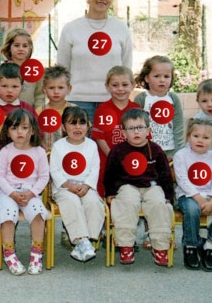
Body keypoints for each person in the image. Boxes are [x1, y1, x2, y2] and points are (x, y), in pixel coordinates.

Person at [56, 0, 133, 121]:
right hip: (78, 102)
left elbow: (126, 69)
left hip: (113, 101)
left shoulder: (121, 28)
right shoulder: (71, 29)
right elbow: (62, 70)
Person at [104, 109, 174, 266]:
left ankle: (160, 247)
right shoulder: (118, 151)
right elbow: (109, 173)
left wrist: (169, 196)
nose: (136, 132)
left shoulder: (156, 150)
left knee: (158, 204)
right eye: (131, 128)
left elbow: (165, 175)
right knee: (126, 204)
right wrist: (109, 193)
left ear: (148, 130)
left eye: (140, 127)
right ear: (123, 132)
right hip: (127, 185)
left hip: (152, 186)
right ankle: (126, 245)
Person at [0, 109, 50, 275]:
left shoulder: (39, 152)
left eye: (24, 127)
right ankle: (9, 254)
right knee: (8, 215)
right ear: (7, 131)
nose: (19, 132)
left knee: (38, 213)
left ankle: (36, 253)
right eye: (14, 127)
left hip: (30, 192)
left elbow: (43, 177)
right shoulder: (6, 151)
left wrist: (32, 193)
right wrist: (12, 193)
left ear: (32, 130)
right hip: (8, 193)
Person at [173, 118, 212, 271]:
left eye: (206, 138)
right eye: (196, 136)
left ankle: (209, 245)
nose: (200, 140)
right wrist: (198, 198)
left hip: (211, 195)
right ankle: (191, 245)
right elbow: (182, 179)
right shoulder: (181, 155)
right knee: (192, 210)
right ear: (188, 136)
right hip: (188, 195)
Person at [50, 107, 104, 262]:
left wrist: (86, 186)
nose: (77, 127)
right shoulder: (58, 146)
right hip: (64, 187)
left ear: (88, 126)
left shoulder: (92, 145)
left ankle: (86, 241)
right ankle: (82, 240)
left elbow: (95, 168)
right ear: (63, 127)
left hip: (86, 186)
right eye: (72, 123)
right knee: (71, 202)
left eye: (82, 123)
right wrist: (68, 185)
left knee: (94, 203)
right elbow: (54, 169)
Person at [0, 62, 39, 162]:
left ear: (22, 86)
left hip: (22, 157)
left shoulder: (27, 108)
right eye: (4, 86)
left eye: (14, 86)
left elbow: (38, 131)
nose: (9, 90)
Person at [91, 66, 140, 196]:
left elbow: (143, 137)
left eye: (124, 84)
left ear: (133, 85)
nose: (120, 89)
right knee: (108, 196)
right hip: (108, 161)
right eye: (115, 85)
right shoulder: (103, 109)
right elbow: (99, 137)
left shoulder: (136, 109)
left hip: (131, 162)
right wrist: (114, 157)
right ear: (107, 86)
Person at [134, 55, 184, 159]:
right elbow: (136, 124)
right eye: (157, 76)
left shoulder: (173, 99)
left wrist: (178, 150)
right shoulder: (141, 98)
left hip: (170, 151)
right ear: (147, 78)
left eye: (166, 76)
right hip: (147, 150)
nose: (162, 80)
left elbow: (178, 125)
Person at [0, 28, 45, 108]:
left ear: (30, 48)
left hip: (29, 116)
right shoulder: (2, 68)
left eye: (25, 46)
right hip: (7, 116)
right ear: (9, 47)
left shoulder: (35, 69)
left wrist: (38, 114)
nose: (21, 49)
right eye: (16, 45)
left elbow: (39, 97)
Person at [35, 65, 75, 151]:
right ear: (44, 90)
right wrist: (44, 146)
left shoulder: (75, 110)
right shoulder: (38, 112)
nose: (56, 92)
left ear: (69, 88)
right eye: (51, 88)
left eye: (60, 88)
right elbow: (34, 134)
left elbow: (84, 132)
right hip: (46, 155)